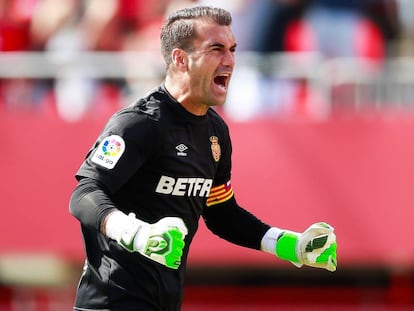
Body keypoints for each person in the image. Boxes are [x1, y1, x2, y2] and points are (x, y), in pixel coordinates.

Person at [69, 6, 337, 311]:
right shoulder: (139, 124)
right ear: (181, 60)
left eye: (233, 49)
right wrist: (136, 233)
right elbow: (84, 194)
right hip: (108, 304)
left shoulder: (215, 131)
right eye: (216, 49)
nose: (230, 61)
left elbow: (222, 212)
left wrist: (290, 244)